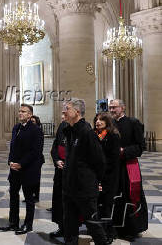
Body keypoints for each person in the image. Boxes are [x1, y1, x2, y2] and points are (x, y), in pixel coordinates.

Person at [62, 98, 108, 245]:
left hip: (84, 189)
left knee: (93, 224)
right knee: (69, 225)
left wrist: (96, 181)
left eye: (67, 108)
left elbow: (100, 161)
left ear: (76, 111)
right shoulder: (70, 131)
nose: (63, 111)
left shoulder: (87, 132)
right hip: (70, 187)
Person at [0, 104, 43, 235]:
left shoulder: (35, 130)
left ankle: (28, 225)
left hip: (28, 169)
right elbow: (13, 146)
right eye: (19, 111)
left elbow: (35, 152)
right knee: (13, 196)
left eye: (23, 111)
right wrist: (10, 161)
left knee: (29, 198)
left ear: (30, 115)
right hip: (14, 169)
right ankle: (13, 223)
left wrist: (21, 164)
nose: (20, 113)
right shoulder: (16, 127)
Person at [109, 99, 148, 241]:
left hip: (127, 167)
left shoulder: (133, 123)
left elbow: (140, 146)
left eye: (115, 107)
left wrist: (123, 151)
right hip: (112, 168)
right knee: (113, 196)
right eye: (110, 107)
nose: (112, 110)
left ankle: (131, 228)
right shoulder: (108, 123)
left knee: (129, 196)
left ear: (123, 108)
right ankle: (113, 226)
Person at [93, 112, 121, 244]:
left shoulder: (113, 136)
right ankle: (100, 230)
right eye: (97, 119)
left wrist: (101, 177)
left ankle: (110, 232)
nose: (98, 122)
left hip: (108, 177)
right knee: (98, 205)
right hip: (96, 176)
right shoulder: (95, 135)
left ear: (108, 122)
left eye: (101, 120)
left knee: (107, 206)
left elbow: (113, 160)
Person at [49, 112, 68, 238]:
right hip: (60, 169)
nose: (62, 115)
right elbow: (55, 146)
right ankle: (61, 227)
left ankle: (71, 230)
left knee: (70, 202)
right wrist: (56, 160)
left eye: (65, 112)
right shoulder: (62, 126)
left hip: (72, 171)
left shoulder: (84, 128)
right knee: (59, 200)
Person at [30, 115, 44, 203]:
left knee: (36, 179)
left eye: (33, 121)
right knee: (29, 179)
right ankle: (30, 195)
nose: (31, 123)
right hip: (29, 159)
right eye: (30, 121)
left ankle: (36, 196)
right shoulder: (28, 131)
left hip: (37, 159)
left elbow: (39, 147)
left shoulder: (39, 131)